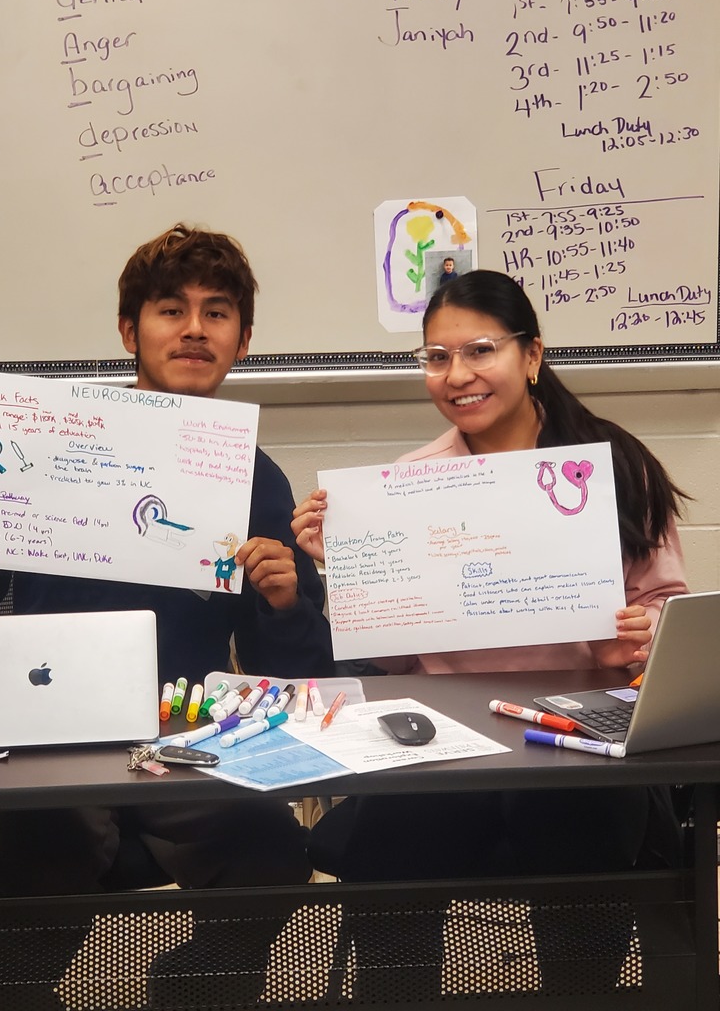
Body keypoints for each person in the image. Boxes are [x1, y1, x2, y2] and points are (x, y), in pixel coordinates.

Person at [0, 224, 334, 1010]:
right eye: (170, 310)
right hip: (45, 727)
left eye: (217, 312)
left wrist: (288, 598)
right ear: (131, 330)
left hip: (182, 733)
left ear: (243, 339)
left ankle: (194, 984)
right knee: (38, 844)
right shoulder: (44, 444)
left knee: (271, 853)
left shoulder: (255, 475)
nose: (195, 328)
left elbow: (289, 668)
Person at [291, 269, 689, 999]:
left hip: (575, 742)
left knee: (584, 857)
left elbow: (669, 612)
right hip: (445, 746)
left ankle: (583, 993)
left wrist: (639, 635)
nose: (458, 375)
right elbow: (396, 657)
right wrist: (347, 574)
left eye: (480, 350)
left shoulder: (614, 467)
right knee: (392, 859)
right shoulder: (406, 486)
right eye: (436, 357)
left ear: (531, 355)